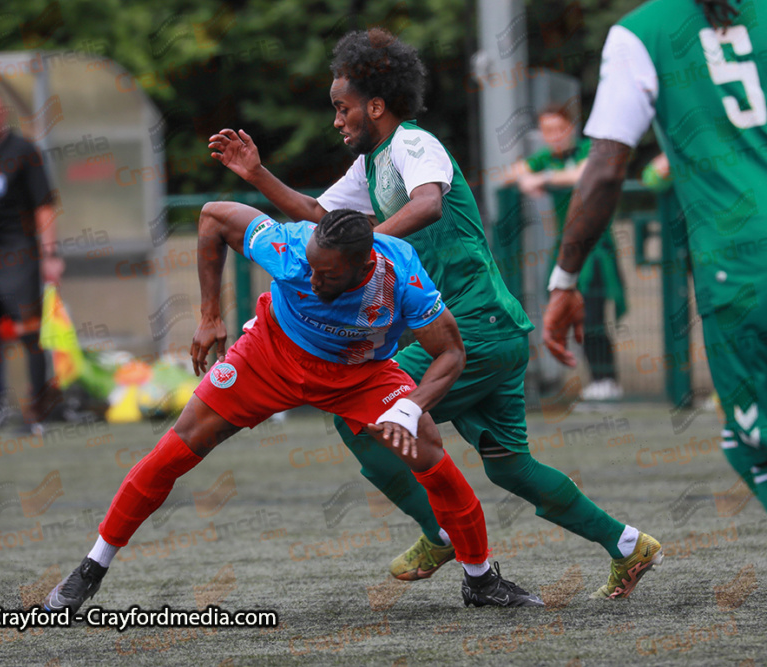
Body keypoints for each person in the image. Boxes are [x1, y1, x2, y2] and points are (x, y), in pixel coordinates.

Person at [209, 28, 659, 601]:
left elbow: (427, 203)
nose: (337, 120)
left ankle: (440, 532)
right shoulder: (371, 165)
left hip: (468, 328)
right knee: (511, 468)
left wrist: (368, 253)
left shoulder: (414, 144)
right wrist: (256, 175)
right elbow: (322, 218)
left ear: (376, 106)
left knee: (362, 421)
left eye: (342, 108)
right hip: (494, 332)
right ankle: (627, 545)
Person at [45, 203, 543, 611]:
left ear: (363, 266)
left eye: (327, 275)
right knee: (178, 446)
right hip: (270, 356)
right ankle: (90, 569)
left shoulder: (400, 271)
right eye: (310, 265)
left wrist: (411, 408)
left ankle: (480, 580)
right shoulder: (289, 247)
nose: (312, 278)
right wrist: (210, 314)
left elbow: (451, 353)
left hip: (359, 375)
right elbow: (213, 216)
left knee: (430, 452)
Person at [544, 0, 767, 513]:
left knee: (750, 443)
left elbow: (603, 171)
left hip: (742, 268)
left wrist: (564, 279)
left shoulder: (642, 32)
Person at [502, 104, 627, 401]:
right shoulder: (548, 158)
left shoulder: (587, 150)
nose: (555, 136)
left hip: (596, 251)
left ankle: (606, 380)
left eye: (560, 129)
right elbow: (511, 174)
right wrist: (526, 178)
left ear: (571, 129)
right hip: (566, 250)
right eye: (548, 131)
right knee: (575, 314)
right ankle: (598, 381)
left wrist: (542, 179)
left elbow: (586, 174)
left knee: (595, 313)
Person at [0, 88, 62, 435]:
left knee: (28, 330)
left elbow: (44, 204)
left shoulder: (23, 151)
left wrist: (50, 253)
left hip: (18, 250)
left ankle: (37, 413)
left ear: (3, 115)